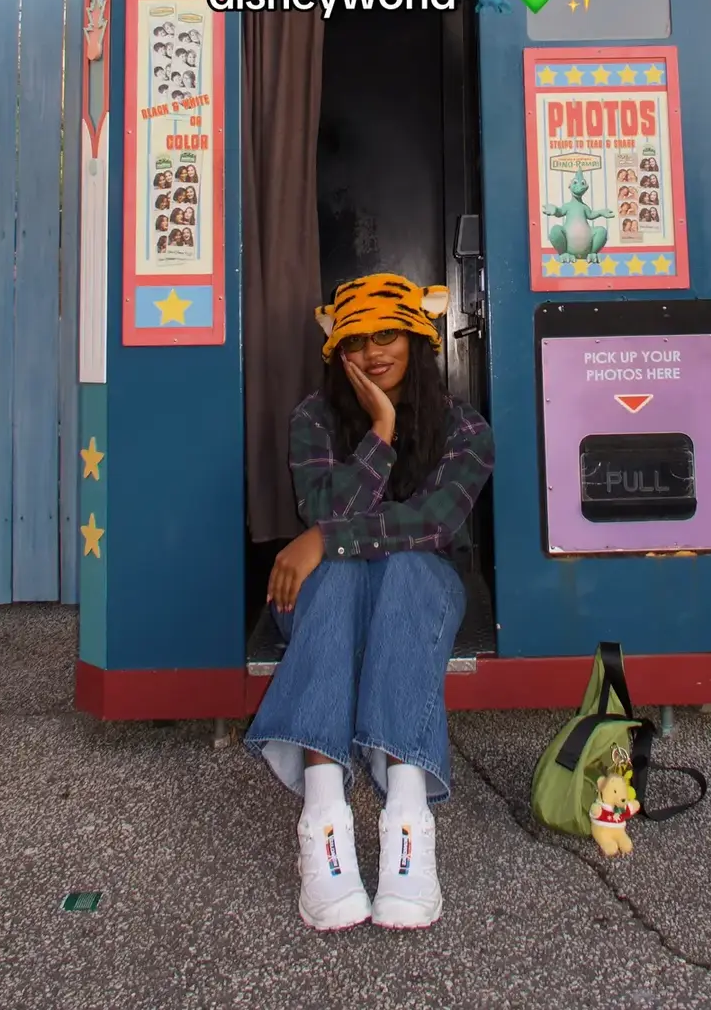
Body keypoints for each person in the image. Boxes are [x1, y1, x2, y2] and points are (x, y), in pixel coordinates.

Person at [245, 272, 495, 934]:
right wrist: (379, 433)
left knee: (407, 568)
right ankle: (323, 816)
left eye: (387, 334)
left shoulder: (465, 427)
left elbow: (433, 526)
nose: (374, 351)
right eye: (355, 340)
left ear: (417, 339)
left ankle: (408, 819)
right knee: (336, 579)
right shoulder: (313, 420)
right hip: (324, 599)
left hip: (418, 597)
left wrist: (324, 538)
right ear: (338, 352)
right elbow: (326, 502)